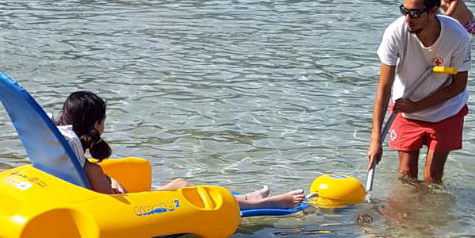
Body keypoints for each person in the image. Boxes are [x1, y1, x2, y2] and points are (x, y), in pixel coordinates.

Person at [57, 90, 305, 209]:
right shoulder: (90, 168)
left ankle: (247, 198)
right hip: (131, 211)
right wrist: (108, 184)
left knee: (178, 184)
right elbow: (112, 205)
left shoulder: (62, 151)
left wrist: (109, 181)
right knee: (186, 189)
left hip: (115, 202)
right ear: (98, 123)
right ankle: (267, 203)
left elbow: (100, 187)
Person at [367, 0, 472, 183]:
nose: (408, 19)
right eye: (404, 11)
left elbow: (459, 85)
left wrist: (419, 105)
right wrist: (375, 139)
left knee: (432, 177)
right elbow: (384, 88)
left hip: (446, 110)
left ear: (433, 11)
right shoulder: (395, 33)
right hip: (405, 109)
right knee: (406, 176)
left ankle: (433, 215)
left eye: (415, 13)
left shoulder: (457, 36)